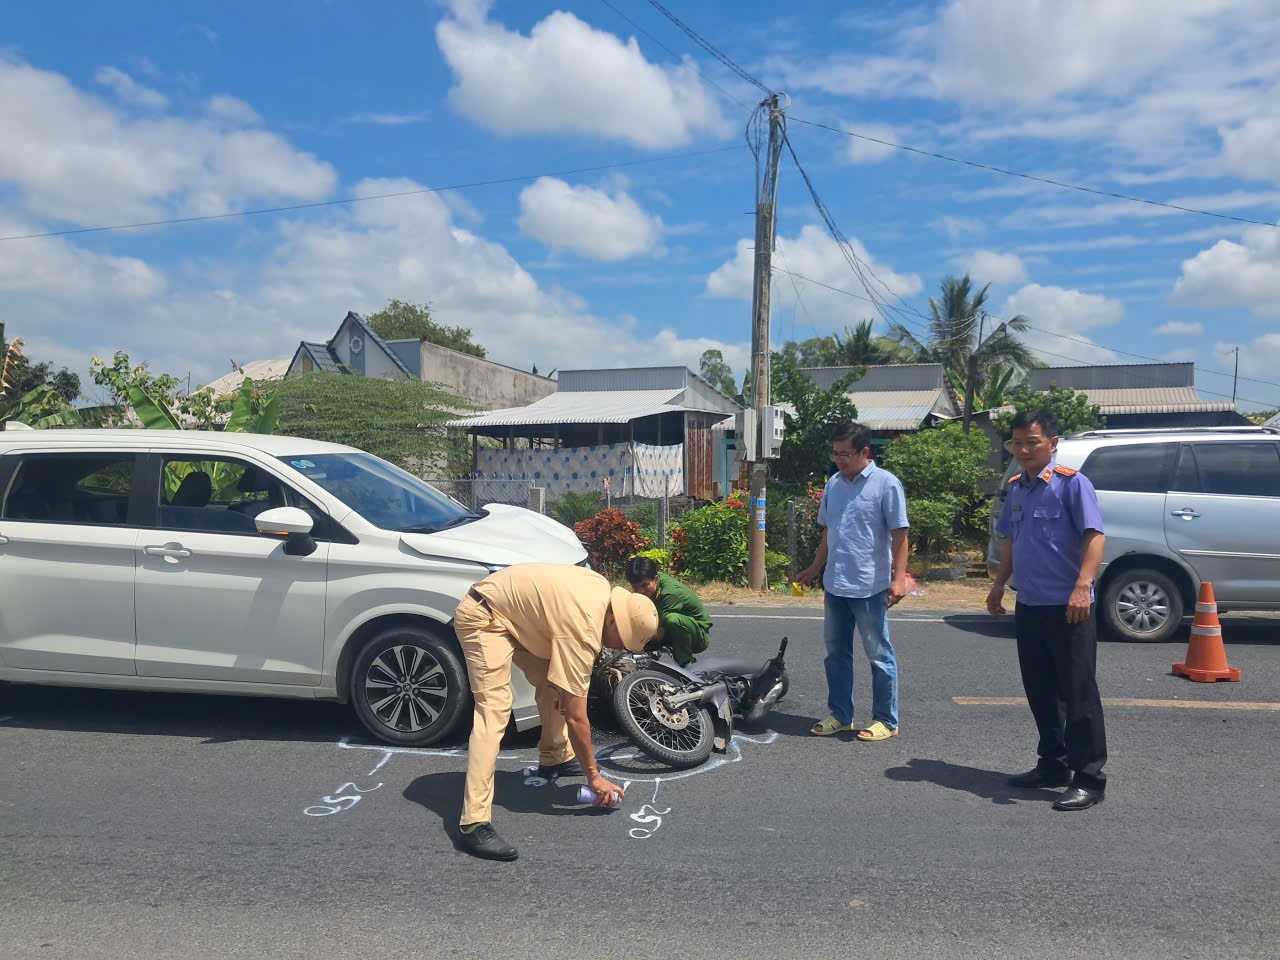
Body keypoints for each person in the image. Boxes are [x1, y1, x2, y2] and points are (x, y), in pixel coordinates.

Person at [452, 562, 659, 861]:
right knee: (494, 711)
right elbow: (577, 716)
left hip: (514, 616)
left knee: (554, 684)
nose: (618, 649)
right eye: (622, 640)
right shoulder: (584, 628)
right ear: (613, 620)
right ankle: (473, 822)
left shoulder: (602, 591)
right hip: (483, 616)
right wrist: (594, 776)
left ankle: (555, 757)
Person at [987, 408, 1108, 812]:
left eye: (1031, 442)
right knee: (1040, 691)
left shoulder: (1073, 485)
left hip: (1068, 606)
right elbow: (1011, 542)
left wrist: (1082, 586)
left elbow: (1094, 537)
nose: (1022, 450)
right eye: (1016, 443)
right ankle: (1053, 765)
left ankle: (1089, 777)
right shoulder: (1018, 489)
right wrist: (999, 585)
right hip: (1031, 604)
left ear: (1052, 444)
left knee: (1078, 694)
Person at [796, 422, 909, 742]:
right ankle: (841, 715)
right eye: (835, 455)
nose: (840, 460)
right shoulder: (833, 484)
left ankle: (886, 719)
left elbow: (901, 536)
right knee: (836, 654)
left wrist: (898, 580)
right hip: (836, 585)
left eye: (846, 454)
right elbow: (828, 534)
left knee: (879, 655)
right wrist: (815, 567)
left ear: (865, 452)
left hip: (870, 587)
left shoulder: (887, 485)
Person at [623, 555, 712, 667]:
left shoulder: (669, 594)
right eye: (636, 588)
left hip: (697, 636)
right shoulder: (652, 585)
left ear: (656, 579)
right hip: (672, 629)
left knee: (671, 620)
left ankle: (686, 664)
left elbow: (658, 634)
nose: (641, 591)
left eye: (645, 585)